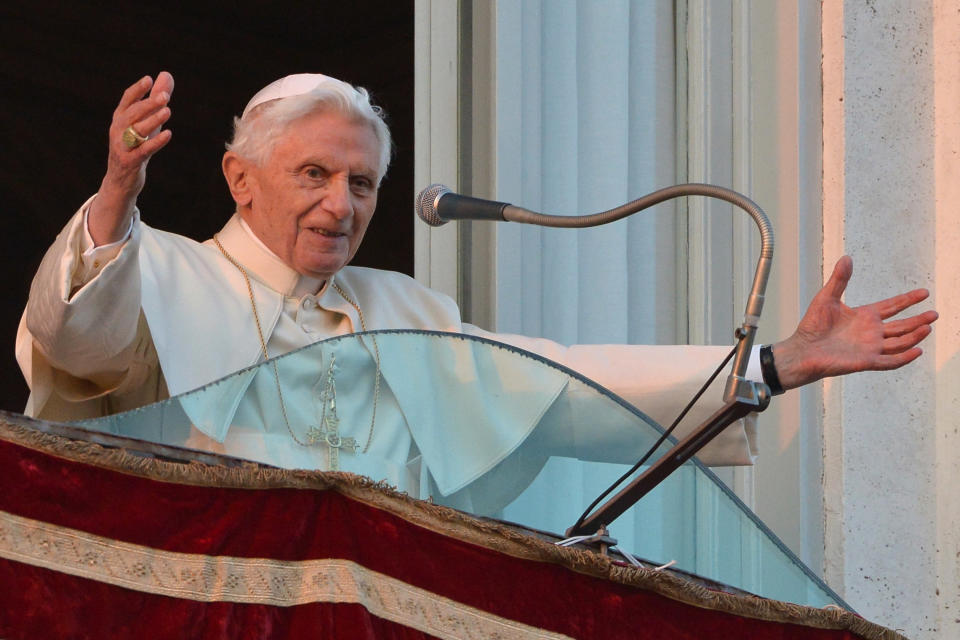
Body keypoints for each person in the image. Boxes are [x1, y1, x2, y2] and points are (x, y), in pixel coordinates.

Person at [15, 72, 937, 507]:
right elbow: (76, 342)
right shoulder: (159, 267)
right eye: (314, 175)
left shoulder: (404, 314)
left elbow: (565, 388)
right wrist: (115, 197)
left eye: (364, 183)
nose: (343, 206)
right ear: (239, 178)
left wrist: (772, 367)